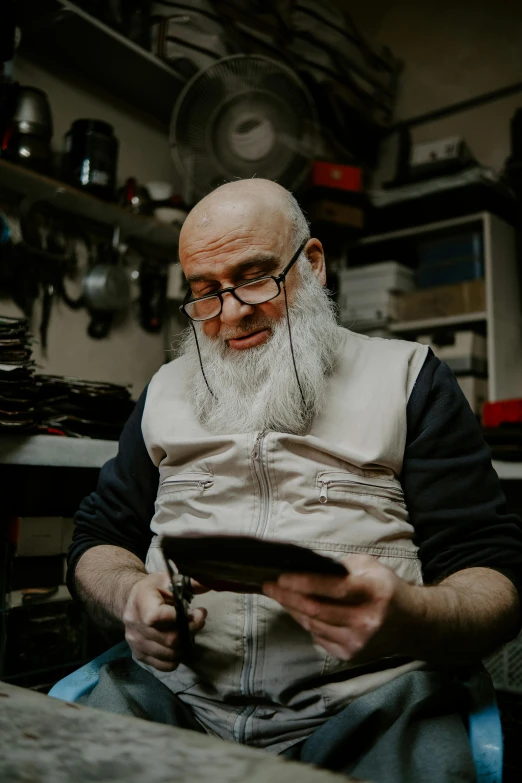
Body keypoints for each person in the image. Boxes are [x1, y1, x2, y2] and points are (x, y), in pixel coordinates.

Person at [69, 178, 522, 783]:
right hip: (171, 699)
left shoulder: (409, 379)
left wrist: (414, 615)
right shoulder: (165, 391)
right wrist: (129, 596)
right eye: (205, 292)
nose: (230, 312)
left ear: (311, 263)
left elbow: (492, 568)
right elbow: (97, 539)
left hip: (371, 707)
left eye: (255, 276)